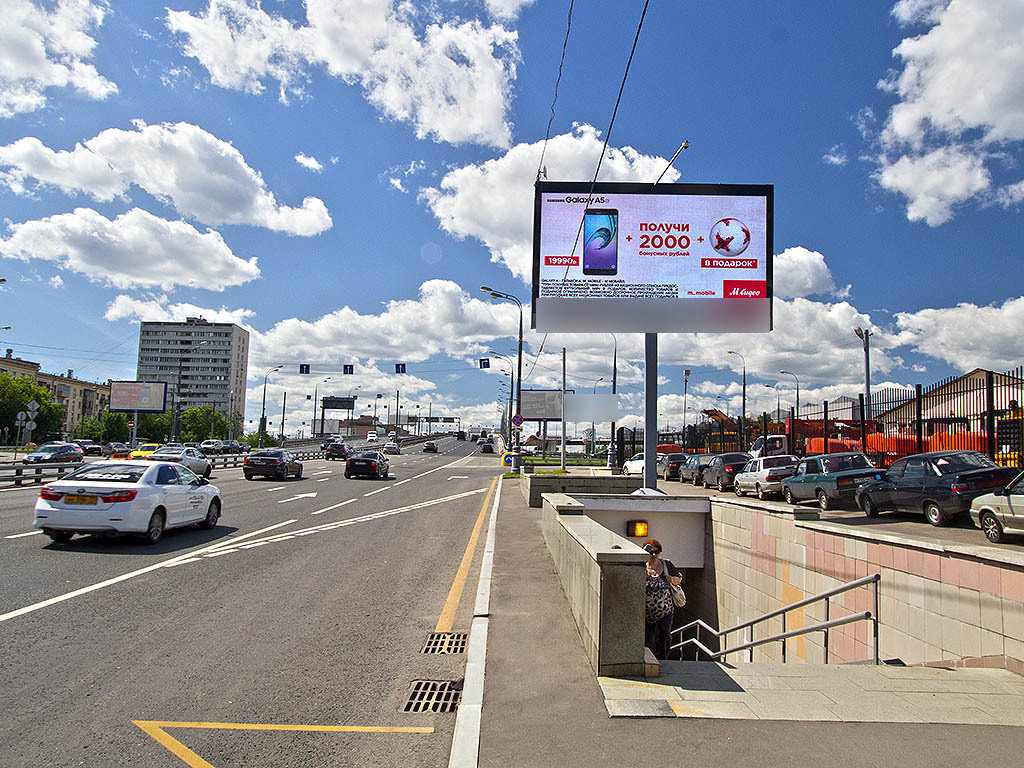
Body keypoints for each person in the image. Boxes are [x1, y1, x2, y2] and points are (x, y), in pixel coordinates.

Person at [642, 538, 683, 660]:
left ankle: (664, 659)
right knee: (648, 638)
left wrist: (670, 579)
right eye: (651, 552)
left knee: (664, 634)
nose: (654, 555)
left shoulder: (666, 565)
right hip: (646, 611)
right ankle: (649, 660)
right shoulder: (641, 567)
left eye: (657, 552)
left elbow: (679, 579)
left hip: (665, 610)